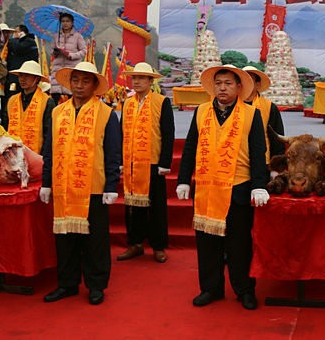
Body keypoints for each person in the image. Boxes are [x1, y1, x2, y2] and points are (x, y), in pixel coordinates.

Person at [176, 64, 269, 310]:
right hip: (206, 189)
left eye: (228, 83)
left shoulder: (251, 114)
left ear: (239, 87)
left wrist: (259, 185)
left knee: (239, 246)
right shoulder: (201, 111)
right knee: (207, 244)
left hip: (237, 188)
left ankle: (245, 290)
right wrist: (184, 179)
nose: (223, 88)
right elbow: (190, 148)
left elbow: (259, 152)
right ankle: (210, 288)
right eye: (218, 83)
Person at [39, 61, 121, 306]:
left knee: (95, 240)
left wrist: (111, 186)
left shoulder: (106, 113)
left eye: (86, 81)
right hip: (63, 185)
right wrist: (46, 182)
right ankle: (67, 283)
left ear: (95, 85)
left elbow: (113, 152)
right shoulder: (57, 111)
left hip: (93, 186)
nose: (79, 85)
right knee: (65, 238)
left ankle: (96, 285)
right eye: (76, 80)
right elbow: (49, 150)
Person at [116, 62, 175, 264]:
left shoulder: (161, 102)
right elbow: (121, 133)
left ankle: (158, 246)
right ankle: (135, 243)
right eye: (135, 78)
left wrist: (165, 163)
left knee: (156, 206)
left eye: (142, 77)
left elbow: (168, 134)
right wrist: (120, 161)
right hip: (131, 161)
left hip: (153, 161)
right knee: (132, 206)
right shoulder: (127, 103)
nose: (138, 81)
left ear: (151, 81)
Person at [4, 61, 55, 154]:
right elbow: (5, 126)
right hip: (12, 155)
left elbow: (48, 134)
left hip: (36, 155)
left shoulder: (47, 101)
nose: (22, 79)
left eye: (27, 76)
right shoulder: (12, 100)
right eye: (21, 75)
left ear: (36, 78)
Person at [242, 65, 285, 170]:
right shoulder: (231, 105)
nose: (246, 84)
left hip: (262, 162)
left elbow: (277, 139)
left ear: (258, 84)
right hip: (236, 162)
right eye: (243, 81)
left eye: (250, 80)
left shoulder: (269, 107)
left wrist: (275, 168)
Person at [48, 13, 87, 102]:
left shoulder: (77, 36)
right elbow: (51, 52)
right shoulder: (56, 36)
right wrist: (55, 52)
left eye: (67, 21)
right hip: (57, 69)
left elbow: (84, 51)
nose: (65, 23)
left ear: (72, 23)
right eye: (63, 21)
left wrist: (71, 55)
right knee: (55, 97)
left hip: (71, 69)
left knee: (71, 96)